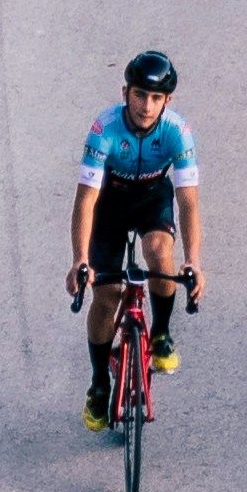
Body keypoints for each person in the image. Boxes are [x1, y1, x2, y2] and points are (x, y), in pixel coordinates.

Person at [69, 47, 203, 430]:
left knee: (161, 254)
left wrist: (193, 261)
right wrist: (80, 259)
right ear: (125, 91)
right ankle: (98, 384)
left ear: (167, 101)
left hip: (150, 199)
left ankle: (160, 333)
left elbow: (188, 203)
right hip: (109, 203)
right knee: (106, 293)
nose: (146, 106)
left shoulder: (176, 132)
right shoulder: (105, 129)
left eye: (156, 98)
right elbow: (85, 201)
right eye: (140, 95)